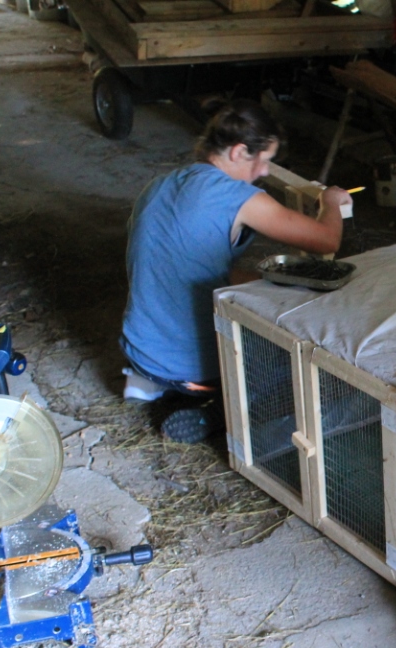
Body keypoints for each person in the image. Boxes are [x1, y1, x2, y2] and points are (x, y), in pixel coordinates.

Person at [120, 99, 352, 443]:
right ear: (240, 151)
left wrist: (269, 283)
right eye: (265, 161)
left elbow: (184, 266)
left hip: (140, 352)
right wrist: (332, 202)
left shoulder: (160, 185)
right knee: (311, 364)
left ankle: (151, 384)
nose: (264, 173)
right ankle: (222, 410)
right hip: (190, 369)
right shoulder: (237, 197)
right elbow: (326, 238)